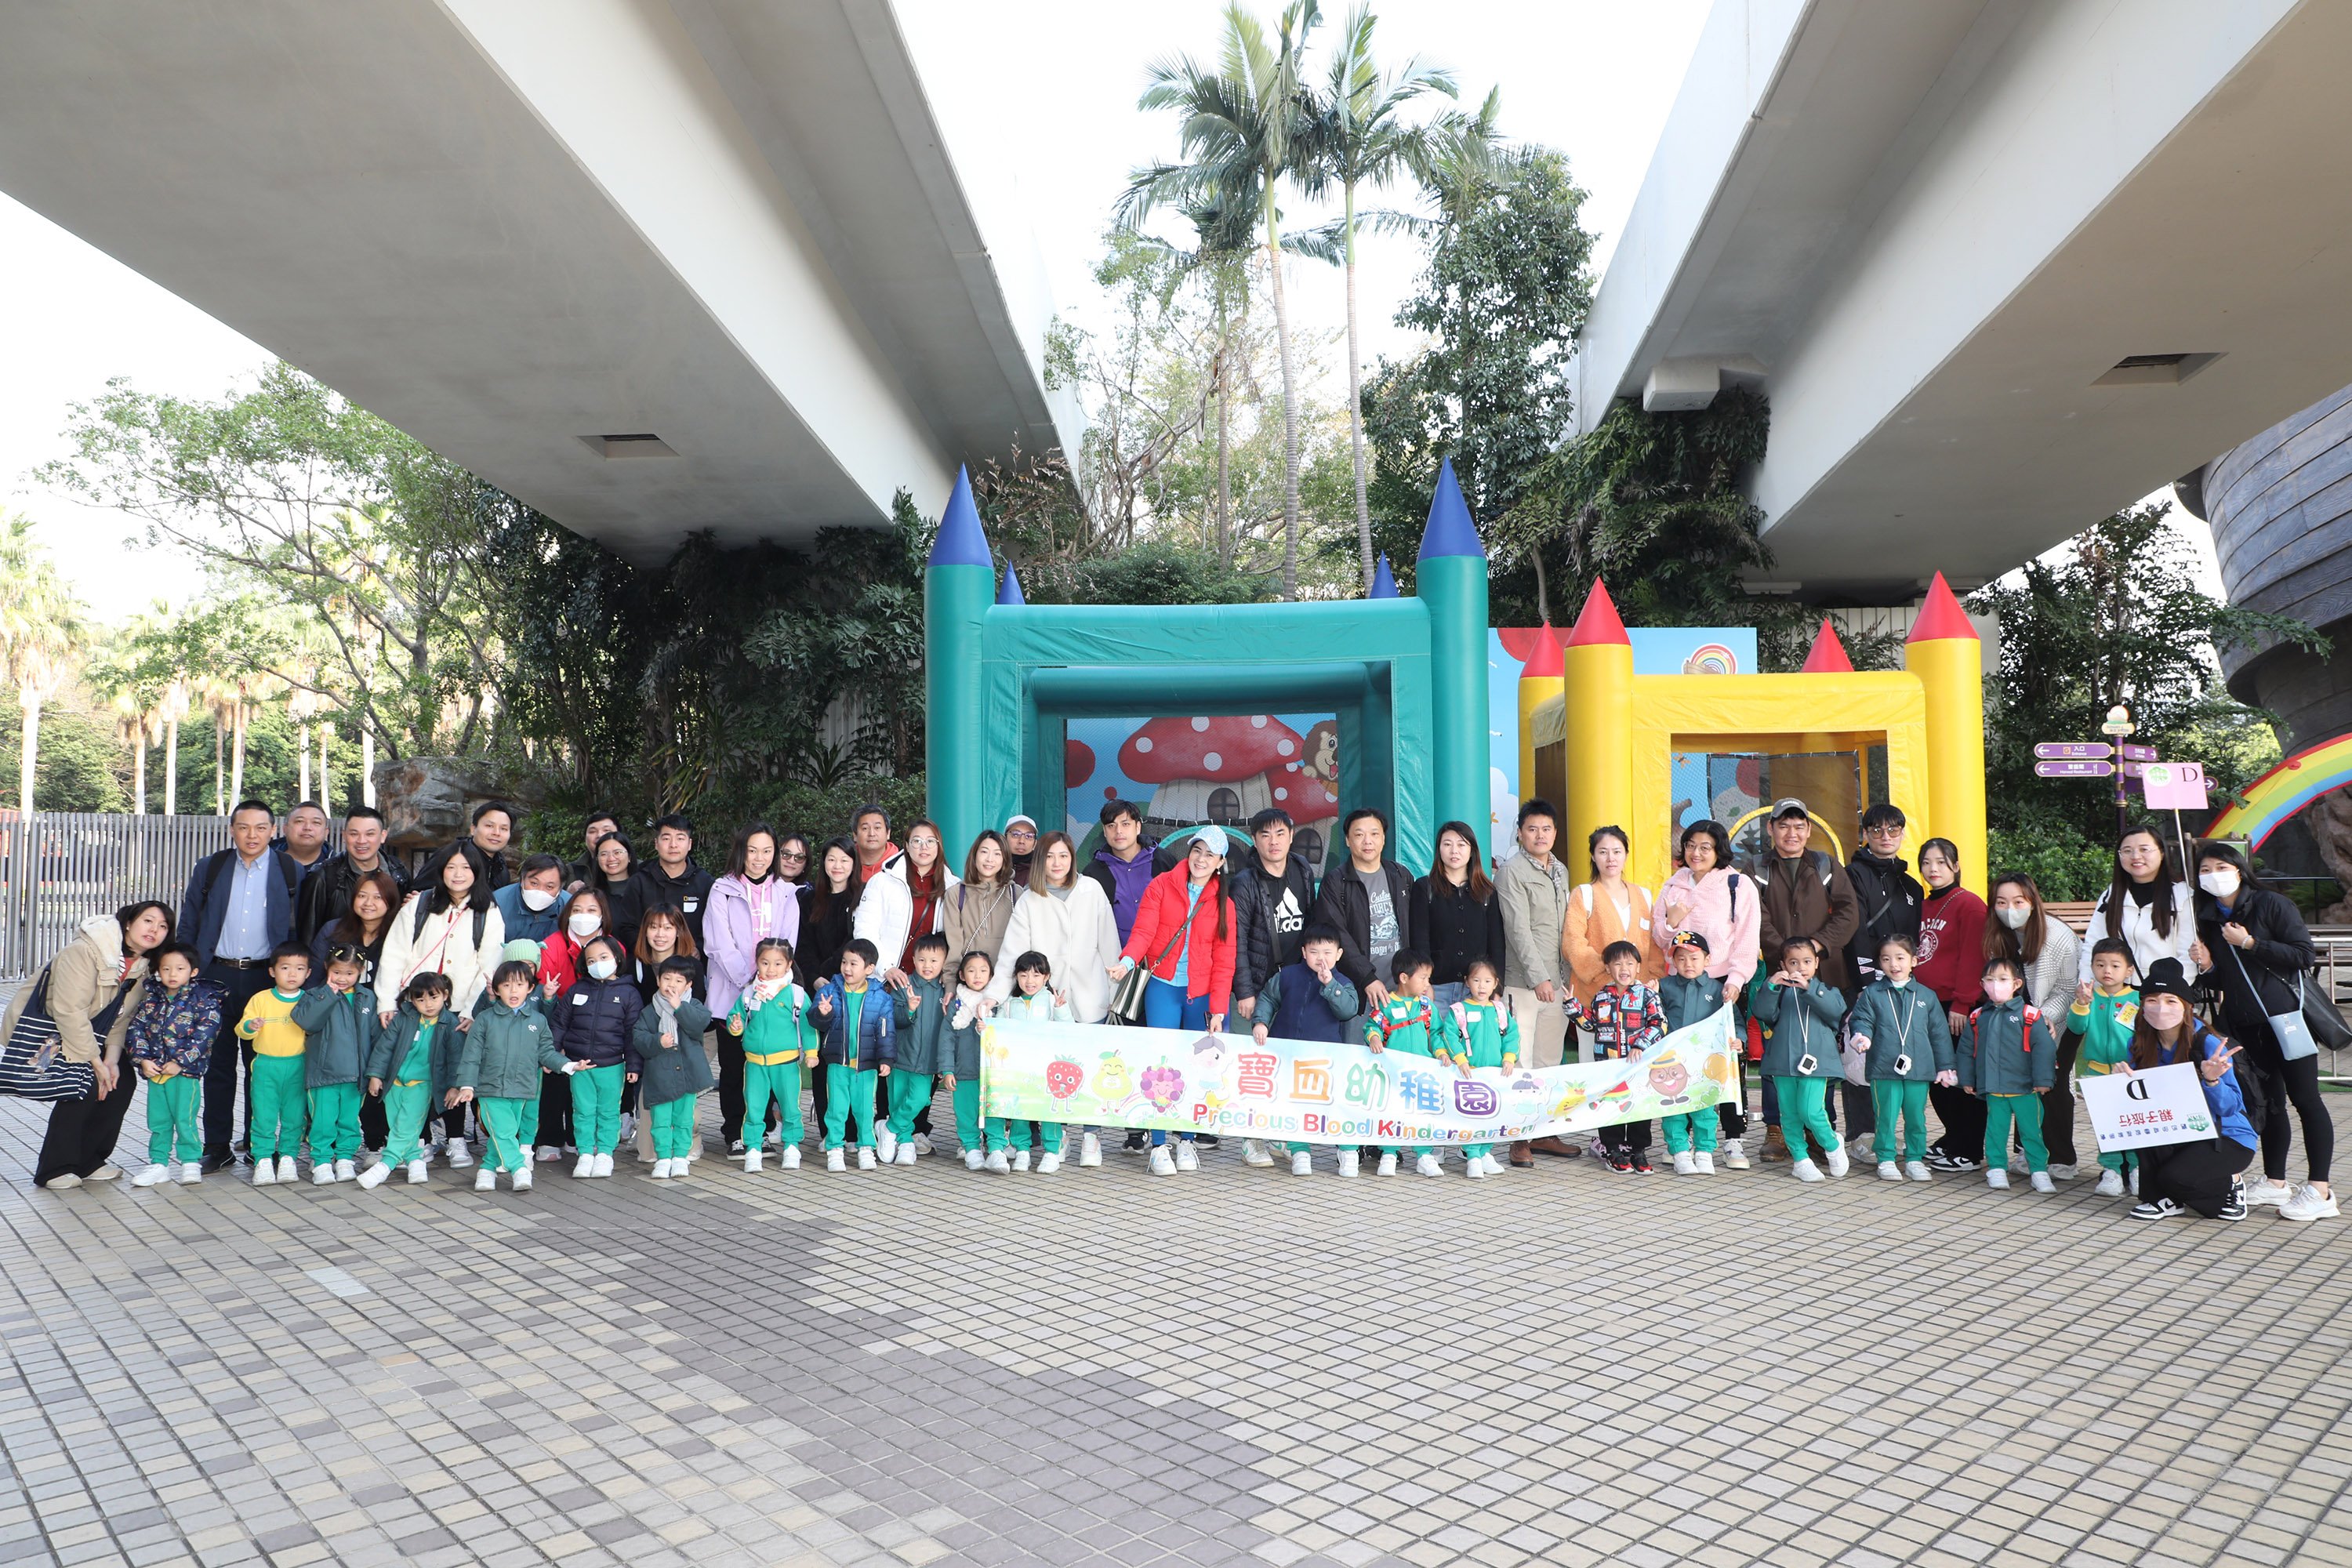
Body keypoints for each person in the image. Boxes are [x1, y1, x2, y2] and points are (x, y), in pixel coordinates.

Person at [2189, 840, 2336, 1221]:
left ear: (2239, 870)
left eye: (2221, 867)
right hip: (2245, 1026)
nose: (2213, 876)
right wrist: (2207, 967)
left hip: (2287, 1021)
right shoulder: (2207, 918)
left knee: (2306, 1100)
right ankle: (2275, 1181)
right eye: (2205, 870)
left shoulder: (2271, 904)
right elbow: (2227, 979)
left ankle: (2320, 1190)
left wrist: (2251, 942)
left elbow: (2303, 955)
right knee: (2269, 1104)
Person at [9, 902, 172, 1189]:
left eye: (162, 926)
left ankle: (89, 1162)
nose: (154, 930)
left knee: (122, 1082)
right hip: (54, 1032)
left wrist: (111, 1060)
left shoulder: (142, 968)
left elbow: (121, 1018)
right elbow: (68, 1012)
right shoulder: (84, 951)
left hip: (95, 1034)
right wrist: (96, 1063)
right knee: (82, 1084)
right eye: (148, 921)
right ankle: (54, 1170)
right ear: (128, 923)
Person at [180, 800, 300, 1171]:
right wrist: (186, 969)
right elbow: (189, 919)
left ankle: (255, 1143)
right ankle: (217, 1146)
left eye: (261, 828)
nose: (252, 835)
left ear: (273, 831)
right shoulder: (211, 867)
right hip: (215, 975)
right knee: (217, 1065)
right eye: (244, 827)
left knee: (259, 1066)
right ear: (232, 829)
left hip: (266, 979)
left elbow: (301, 926)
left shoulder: (290, 870)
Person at [1114, 826, 1236, 1170]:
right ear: (1189, 852)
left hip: (1200, 994)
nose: (1201, 859)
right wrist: (1127, 961)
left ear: (1220, 862)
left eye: (1210, 855)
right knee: (1161, 1066)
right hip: (1163, 987)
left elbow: (1225, 960)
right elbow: (1144, 931)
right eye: (1197, 850)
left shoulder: (1225, 903)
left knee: (1195, 1068)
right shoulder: (1162, 885)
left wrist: (1219, 1010)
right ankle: (1158, 1145)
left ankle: (1186, 1141)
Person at [1755, 799, 1860, 1163]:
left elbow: (1848, 912)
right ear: (1770, 828)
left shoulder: (1826, 864)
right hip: (1778, 975)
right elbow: (1756, 917)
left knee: (1821, 1049)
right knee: (1777, 1050)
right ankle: (1777, 1129)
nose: (1792, 833)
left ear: (1809, 830)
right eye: (1784, 825)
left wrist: (1815, 948)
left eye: (1799, 826)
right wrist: (1786, 955)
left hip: (1823, 974)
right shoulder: (1756, 868)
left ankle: (1820, 1128)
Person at [1652, 819, 1757, 1163]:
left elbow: (1747, 937)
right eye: (1690, 845)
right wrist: (1671, 920)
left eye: (1705, 847)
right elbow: (1660, 939)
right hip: (1679, 984)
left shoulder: (1737, 884)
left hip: (1722, 982)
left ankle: (1733, 1138)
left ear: (1719, 850)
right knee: (1680, 1062)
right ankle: (1682, 1140)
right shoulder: (1673, 885)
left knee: (1725, 1061)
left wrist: (1736, 980)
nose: (1696, 853)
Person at [2125, 959, 2258, 1221]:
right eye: (2152, 1000)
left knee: (2175, 1178)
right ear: (2142, 1006)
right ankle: (2163, 1200)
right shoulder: (2139, 1043)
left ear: (2187, 1006)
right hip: (2181, 1128)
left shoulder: (2208, 1045)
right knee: (2145, 1131)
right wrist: (2123, 1080)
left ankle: (2231, 1183)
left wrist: (2212, 1081)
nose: (2160, 1008)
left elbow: (2230, 1107)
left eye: (2171, 1001)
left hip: (2227, 1136)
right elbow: (2141, 1099)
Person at [1230, 808, 1320, 1168]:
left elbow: (1312, 924)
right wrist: (1245, 991)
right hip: (1258, 983)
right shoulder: (1245, 882)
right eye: (1265, 835)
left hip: (1294, 983)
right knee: (1255, 1063)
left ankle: (1281, 1133)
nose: (1274, 842)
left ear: (1292, 835)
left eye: (1280, 833)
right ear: (1254, 840)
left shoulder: (1302, 868)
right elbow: (1236, 940)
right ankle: (1251, 1139)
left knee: (1287, 1061)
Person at [704, 822, 797, 1156]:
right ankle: (735, 1132)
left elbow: (788, 941)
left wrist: (769, 978)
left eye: (767, 851)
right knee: (734, 1067)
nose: (760, 858)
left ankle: (764, 1130)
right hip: (731, 993)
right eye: (753, 850)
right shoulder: (722, 890)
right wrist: (749, 979)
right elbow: (718, 942)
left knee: (765, 1065)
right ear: (741, 851)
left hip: (772, 994)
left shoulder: (785, 892)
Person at [1985, 873, 2082, 1174]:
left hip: (2059, 1019)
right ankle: (2028, 1152)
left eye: (2018, 902)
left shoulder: (2057, 936)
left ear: (2033, 901)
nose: (2009, 909)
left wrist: (2043, 1017)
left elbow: (2067, 989)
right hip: (2017, 1020)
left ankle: (2062, 1158)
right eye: (2001, 902)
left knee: (2053, 1085)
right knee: (2020, 1084)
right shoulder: (1998, 935)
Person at [1494, 799, 1575, 1163]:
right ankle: (1518, 1138)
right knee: (1521, 1062)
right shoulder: (1511, 872)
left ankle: (1543, 1132)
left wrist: (1562, 977)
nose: (1540, 835)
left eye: (1546, 829)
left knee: (1548, 1062)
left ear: (1555, 833)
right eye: (1532, 829)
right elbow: (1518, 931)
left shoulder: (1561, 870)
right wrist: (1539, 977)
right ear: (1519, 833)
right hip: (1524, 984)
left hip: (1558, 983)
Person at [1250, 926, 1360, 1178]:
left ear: (1339, 954)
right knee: (1294, 1104)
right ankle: (1300, 1151)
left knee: (1335, 1105)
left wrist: (1330, 985)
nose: (1321, 958)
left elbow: (1348, 1010)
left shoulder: (1343, 982)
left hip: (1324, 1061)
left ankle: (1347, 1150)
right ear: (1303, 952)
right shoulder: (1288, 975)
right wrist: (1261, 1022)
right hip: (1287, 1056)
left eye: (1327, 953)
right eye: (1314, 952)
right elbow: (1268, 998)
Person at [1846, 935, 1954, 1184]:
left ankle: (1914, 1159)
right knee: (1886, 1116)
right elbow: (1862, 1019)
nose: (1894, 964)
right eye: (1886, 959)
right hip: (1884, 1067)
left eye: (1900, 958)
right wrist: (1861, 1036)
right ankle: (1885, 1158)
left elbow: (1939, 1033)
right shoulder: (1873, 994)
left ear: (1914, 960)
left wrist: (1946, 1066)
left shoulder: (1926, 996)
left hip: (1919, 1068)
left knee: (1916, 1117)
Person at [454, 960, 564, 1192]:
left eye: (520, 985)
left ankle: (487, 1169)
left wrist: (569, 1065)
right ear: (496, 989)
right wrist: (467, 1084)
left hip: (522, 1087)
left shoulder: (538, 1020)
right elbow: (471, 1054)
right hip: (490, 1088)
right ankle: (519, 1168)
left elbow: (546, 1052)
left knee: (503, 1133)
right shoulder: (485, 1019)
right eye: (506, 985)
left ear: (530, 988)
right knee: (503, 1132)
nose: (513, 991)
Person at [1917, 840, 1992, 1173]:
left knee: (1961, 1080)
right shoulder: (1923, 905)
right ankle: (1954, 1137)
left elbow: (1974, 957)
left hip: (1956, 1006)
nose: (1933, 869)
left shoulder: (1969, 905)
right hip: (1927, 1004)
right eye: (1927, 862)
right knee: (1938, 1079)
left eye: (1941, 862)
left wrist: (1962, 1002)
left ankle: (1970, 1149)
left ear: (1956, 867)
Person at [376, 842, 505, 1030]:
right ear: (441, 870)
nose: (458, 874)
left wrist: (472, 1010)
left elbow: (489, 965)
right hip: (414, 1002)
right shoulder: (420, 904)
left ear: (477, 871)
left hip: (458, 1012)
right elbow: (394, 954)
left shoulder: (488, 912)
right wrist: (387, 1002)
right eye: (451, 867)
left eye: (466, 868)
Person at [1564, 940, 1668, 1174]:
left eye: (1630, 964)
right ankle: (1613, 1151)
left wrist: (1640, 1045)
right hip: (1608, 1066)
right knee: (1610, 1107)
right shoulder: (1602, 996)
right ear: (1608, 968)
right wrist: (1573, 1007)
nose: (1624, 969)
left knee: (1639, 1107)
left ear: (1638, 967)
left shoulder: (1647, 995)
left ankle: (1638, 1152)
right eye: (1618, 964)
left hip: (1638, 1066)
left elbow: (1659, 1024)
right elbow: (1591, 1024)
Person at [1959, 955, 2058, 1193]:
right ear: (1982, 984)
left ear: (2016, 983)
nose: (1996, 985)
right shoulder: (1977, 1017)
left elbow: (2043, 1049)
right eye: (1990, 979)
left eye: (2003, 979)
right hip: (1994, 1088)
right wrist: (1967, 1079)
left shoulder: (2030, 1015)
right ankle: (1996, 1168)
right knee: (1995, 1131)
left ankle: (2039, 1171)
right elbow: (1966, 1050)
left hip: (2026, 1089)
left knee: (2031, 1132)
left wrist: (2044, 1080)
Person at [125, 942, 220, 1187]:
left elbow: (206, 1035)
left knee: (184, 1118)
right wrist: (143, 1060)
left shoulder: (203, 1000)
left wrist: (181, 1062)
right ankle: (159, 1164)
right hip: (157, 1072)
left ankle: (190, 1162)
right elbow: (136, 1029)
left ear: (193, 971)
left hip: (185, 1075)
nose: (172, 974)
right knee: (158, 1120)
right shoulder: (152, 999)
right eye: (166, 969)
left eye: (180, 968)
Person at [546, 935, 641, 1180]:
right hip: (580, 1065)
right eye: (591, 960)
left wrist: (633, 1065)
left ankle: (606, 1154)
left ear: (617, 958)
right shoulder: (577, 989)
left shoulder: (629, 993)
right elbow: (559, 1024)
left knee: (609, 1112)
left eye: (603, 957)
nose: (597, 964)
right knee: (582, 1111)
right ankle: (585, 1153)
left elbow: (633, 1033)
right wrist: (551, 1055)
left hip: (612, 1064)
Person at [1752, 936, 1846, 1183]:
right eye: (1793, 962)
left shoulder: (1828, 991)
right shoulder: (1779, 992)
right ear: (1783, 965)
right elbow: (1762, 1013)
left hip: (1818, 1061)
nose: (1800, 967)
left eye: (1806, 961)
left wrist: (1809, 989)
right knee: (1790, 1114)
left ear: (1816, 963)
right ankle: (1800, 1159)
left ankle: (1832, 1144)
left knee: (1811, 1110)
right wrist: (1771, 986)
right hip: (1783, 1061)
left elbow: (1835, 1011)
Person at [357, 972, 463, 1189]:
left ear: (445, 995)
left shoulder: (450, 1024)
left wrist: (455, 1086)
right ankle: (416, 1162)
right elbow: (385, 1047)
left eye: (434, 997)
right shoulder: (405, 1018)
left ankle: (385, 1166)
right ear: (412, 1000)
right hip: (393, 1083)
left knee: (406, 1127)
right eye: (421, 999)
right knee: (399, 1125)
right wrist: (376, 1075)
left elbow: (455, 1059)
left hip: (422, 1085)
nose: (428, 1004)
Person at [726, 938, 816, 1174]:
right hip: (755, 1063)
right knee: (754, 1108)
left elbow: (808, 1026)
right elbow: (735, 1019)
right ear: (756, 962)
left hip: (786, 1063)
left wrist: (811, 1052)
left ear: (789, 965)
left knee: (790, 1107)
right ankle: (753, 1149)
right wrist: (735, 1026)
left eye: (778, 963)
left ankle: (792, 1147)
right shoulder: (749, 993)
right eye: (765, 963)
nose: (771, 969)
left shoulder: (796, 994)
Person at [288, 946, 376, 1184]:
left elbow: (375, 1035)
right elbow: (307, 1022)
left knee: (349, 1121)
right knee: (322, 1122)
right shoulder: (314, 995)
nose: (342, 978)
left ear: (360, 972)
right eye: (337, 972)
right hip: (323, 1075)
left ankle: (345, 1159)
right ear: (327, 968)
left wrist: (374, 1072)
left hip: (356, 1076)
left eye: (349, 973)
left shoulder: (367, 997)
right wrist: (327, 994)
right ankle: (322, 1161)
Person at [233, 942, 316, 1185]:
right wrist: (250, 1026)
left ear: (308, 973)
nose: (292, 974)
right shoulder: (260, 999)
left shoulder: (309, 1000)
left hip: (298, 1065)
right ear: (272, 971)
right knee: (263, 1115)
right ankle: (263, 1160)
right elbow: (241, 1030)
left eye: (299, 968)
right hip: (266, 1066)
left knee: (295, 1116)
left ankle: (288, 1158)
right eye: (285, 968)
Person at [798, 840, 864, 1138]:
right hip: (820, 991)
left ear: (854, 864)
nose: (837, 866)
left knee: (851, 1061)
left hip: (852, 988)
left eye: (844, 860)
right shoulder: (809, 900)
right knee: (824, 1062)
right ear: (823, 863)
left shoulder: (862, 899)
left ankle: (853, 1131)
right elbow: (803, 946)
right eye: (832, 859)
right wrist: (815, 978)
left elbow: (854, 943)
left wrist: (831, 974)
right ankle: (828, 1132)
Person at [813, 938, 895, 1171]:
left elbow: (886, 1030)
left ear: (870, 968)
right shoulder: (829, 991)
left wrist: (886, 1059)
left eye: (853, 964)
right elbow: (815, 1022)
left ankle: (866, 1148)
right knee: (836, 1109)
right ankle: (835, 1149)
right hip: (837, 1063)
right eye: (844, 962)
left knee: (864, 1110)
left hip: (866, 1066)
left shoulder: (881, 997)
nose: (847, 968)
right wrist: (823, 1013)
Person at [2078, 823, 2197, 984]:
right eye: (2127, 851)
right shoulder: (2111, 895)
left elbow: (2188, 956)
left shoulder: (2182, 897)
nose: (2135, 856)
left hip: (2162, 991)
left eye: (2144, 849)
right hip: (2116, 991)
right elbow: (2093, 943)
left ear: (2162, 853)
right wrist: (2085, 982)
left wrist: (2174, 992)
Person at [629, 957, 714, 1181]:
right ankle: (663, 1157)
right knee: (661, 1120)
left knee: (685, 1119)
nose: (672, 985)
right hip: (660, 1076)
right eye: (667, 979)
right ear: (658, 980)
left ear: (689, 985)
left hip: (687, 1074)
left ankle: (680, 1157)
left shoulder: (694, 1006)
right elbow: (639, 1038)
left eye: (679, 980)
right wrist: (657, 1042)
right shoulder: (650, 1011)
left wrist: (679, 1007)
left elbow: (698, 1025)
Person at [1565, 826, 1666, 1012]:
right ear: (1593, 856)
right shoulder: (1584, 894)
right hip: (1595, 998)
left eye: (1617, 852)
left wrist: (1653, 978)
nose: (1610, 858)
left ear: (1626, 855)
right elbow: (1573, 943)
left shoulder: (1643, 895)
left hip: (1638, 999)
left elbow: (1653, 945)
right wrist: (1606, 971)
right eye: (1603, 852)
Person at [2068, 938, 2141, 1198]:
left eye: (2115, 965)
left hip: (2130, 1073)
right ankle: (2111, 1171)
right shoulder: (2090, 997)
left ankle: (2137, 1169)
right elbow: (2077, 1028)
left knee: (2134, 1122)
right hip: (2098, 1072)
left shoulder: (2138, 999)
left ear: (2129, 970)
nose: (2107, 971)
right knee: (2106, 1125)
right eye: (2100, 965)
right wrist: (2081, 1005)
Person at [989, 953, 1076, 1171]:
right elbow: (998, 1032)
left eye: (1036, 975)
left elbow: (1069, 1030)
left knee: (1049, 1111)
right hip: (1018, 1069)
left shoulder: (1051, 1001)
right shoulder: (1009, 1003)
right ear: (1016, 977)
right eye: (1024, 975)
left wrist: (1061, 1010)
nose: (1030, 981)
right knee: (1019, 1109)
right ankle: (1022, 1151)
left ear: (1046, 977)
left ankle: (1052, 1152)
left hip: (1047, 1070)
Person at [1363, 949, 1443, 1179]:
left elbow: (1437, 1033)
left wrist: (1440, 1053)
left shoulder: (1427, 1006)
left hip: (1422, 1074)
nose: (1427, 984)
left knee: (1423, 1114)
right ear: (1404, 978)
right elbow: (1372, 1026)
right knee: (1393, 1113)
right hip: (1394, 1074)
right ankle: (1389, 1153)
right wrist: (1374, 1038)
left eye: (1429, 978)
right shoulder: (1387, 1004)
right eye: (1423, 978)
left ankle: (1424, 1155)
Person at [1656, 933, 1727, 1175]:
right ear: (1673, 962)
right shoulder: (1664, 987)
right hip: (1671, 1061)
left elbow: (1732, 1021)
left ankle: (1705, 1152)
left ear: (1707, 960)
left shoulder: (1717, 989)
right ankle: (1680, 1153)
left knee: (1705, 1107)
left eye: (1694, 958)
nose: (1688, 964)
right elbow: (1654, 1017)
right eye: (1681, 959)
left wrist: (1738, 1038)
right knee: (1673, 1108)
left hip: (1704, 1061)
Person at [1414, 821, 1504, 1011]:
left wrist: (1497, 987)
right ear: (1439, 850)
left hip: (1477, 990)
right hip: (1436, 989)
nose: (1454, 851)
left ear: (1472, 851)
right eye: (1447, 844)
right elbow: (1419, 940)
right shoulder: (1424, 888)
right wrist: (1424, 982)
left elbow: (1496, 943)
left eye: (1461, 844)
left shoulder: (1487, 892)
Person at [295, 804, 408, 946]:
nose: (361, 841)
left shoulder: (398, 871)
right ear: (344, 836)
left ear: (383, 836)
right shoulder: (323, 877)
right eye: (354, 834)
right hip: (337, 957)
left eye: (370, 834)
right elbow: (307, 934)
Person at [884, 933, 953, 1167]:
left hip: (927, 1062)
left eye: (934, 961)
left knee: (920, 1098)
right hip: (900, 1057)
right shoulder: (904, 986)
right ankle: (904, 1143)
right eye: (922, 960)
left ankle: (889, 1127)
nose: (927, 966)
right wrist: (909, 1010)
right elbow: (894, 1019)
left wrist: (945, 1062)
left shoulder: (944, 991)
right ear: (913, 959)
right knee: (897, 1101)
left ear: (944, 962)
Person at [1447, 957, 1519, 1181]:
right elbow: (1450, 1036)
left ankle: (1485, 1152)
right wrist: (1460, 1059)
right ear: (1467, 982)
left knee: (1492, 1115)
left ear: (1496, 983)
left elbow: (1512, 1035)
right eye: (1476, 980)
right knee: (1472, 1116)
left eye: (1487, 981)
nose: (1482, 986)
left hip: (1495, 1074)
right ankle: (1473, 1157)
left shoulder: (1500, 1010)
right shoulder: (1459, 1010)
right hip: (1470, 1073)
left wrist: (1509, 1058)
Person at [1845, 804, 1922, 993]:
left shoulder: (1912, 886)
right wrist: (1865, 983)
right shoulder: (1852, 875)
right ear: (1866, 834)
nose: (1886, 837)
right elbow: (1855, 933)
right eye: (1877, 831)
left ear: (1902, 833)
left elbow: (1916, 939)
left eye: (1893, 830)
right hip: (1868, 982)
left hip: (1906, 983)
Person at [943, 832, 1018, 996]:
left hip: (1008, 985)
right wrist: (950, 985)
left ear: (1005, 859)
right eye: (984, 852)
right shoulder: (956, 894)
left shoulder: (1016, 893)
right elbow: (954, 946)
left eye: (997, 854)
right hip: (969, 988)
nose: (990, 859)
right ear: (974, 855)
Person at [1083, 799, 1160, 943]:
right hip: (1116, 953)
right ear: (1104, 831)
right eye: (1111, 826)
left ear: (1138, 827)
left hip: (1163, 952)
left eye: (1125, 824)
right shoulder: (1093, 873)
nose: (1118, 831)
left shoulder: (1162, 860)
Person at [945, 952, 995, 1170]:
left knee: (994, 1113)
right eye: (971, 971)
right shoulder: (956, 1005)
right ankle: (972, 1149)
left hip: (993, 1073)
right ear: (962, 975)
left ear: (991, 975)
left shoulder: (996, 1004)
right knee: (965, 1113)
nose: (977, 976)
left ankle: (996, 1147)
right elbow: (946, 1039)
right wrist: (947, 1069)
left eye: (983, 971)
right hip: (963, 1070)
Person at [641, 813, 714, 950]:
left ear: (690, 844)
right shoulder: (640, 881)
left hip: (692, 959)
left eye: (680, 838)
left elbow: (713, 927)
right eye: (666, 838)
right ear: (656, 844)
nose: (673, 845)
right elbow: (629, 926)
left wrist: (697, 950)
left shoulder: (705, 882)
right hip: (649, 958)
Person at [586, 832, 654, 952]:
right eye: (604, 854)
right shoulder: (591, 896)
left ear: (630, 857)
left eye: (617, 853)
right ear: (597, 859)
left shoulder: (648, 889)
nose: (611, 858)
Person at [492, 853, 570, 947]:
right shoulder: (497, 902)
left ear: (560, 889)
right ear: (522, 880)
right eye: (534, 883)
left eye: (549, 887)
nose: (540, 891)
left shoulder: (570, 907)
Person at [460, 800, 517, 891]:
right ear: (473, 829)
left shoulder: (501, 867)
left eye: (503, 829)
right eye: (490, 826)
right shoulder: (452, 858)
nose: (496, 833)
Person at [276, 800, 332, 886]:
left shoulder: (338, 869)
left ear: (326, 832)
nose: (307, 827)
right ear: (285, 829)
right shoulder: (265, 863)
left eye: (316, 822)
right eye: (299, 821)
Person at [568, 810, 622, 889]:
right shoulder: (571, 871)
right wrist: (569, 894)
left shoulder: (639, 869)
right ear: (585, 839)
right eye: (592, 831)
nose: (600, 835)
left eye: (606, 830)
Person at [1003, 815, 1040, 884]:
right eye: (1016, 834)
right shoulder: (994, 867)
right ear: (1005, 839)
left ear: (1035, 843)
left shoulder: (1040, 871)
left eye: (1029, 836)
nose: (1022, 841)